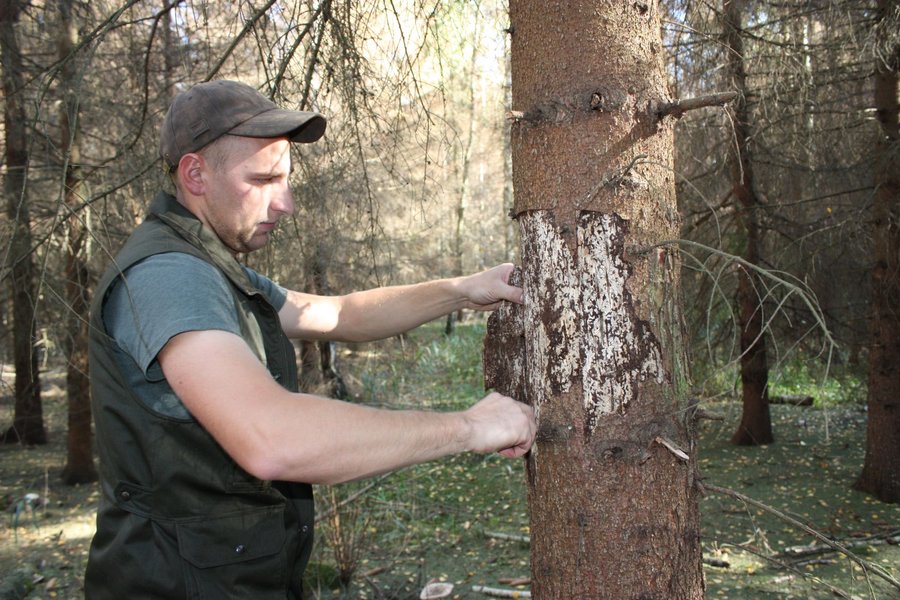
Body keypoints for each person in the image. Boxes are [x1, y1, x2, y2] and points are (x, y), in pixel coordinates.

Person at [83, 79, 535, 599]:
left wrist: (460, 290)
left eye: (287, 179)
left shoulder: (211, 267)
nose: (287, 203)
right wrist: (467, 428)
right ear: (195, 174)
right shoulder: (170, 276)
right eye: (265, 179)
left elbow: (333, 314)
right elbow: (272, 438)